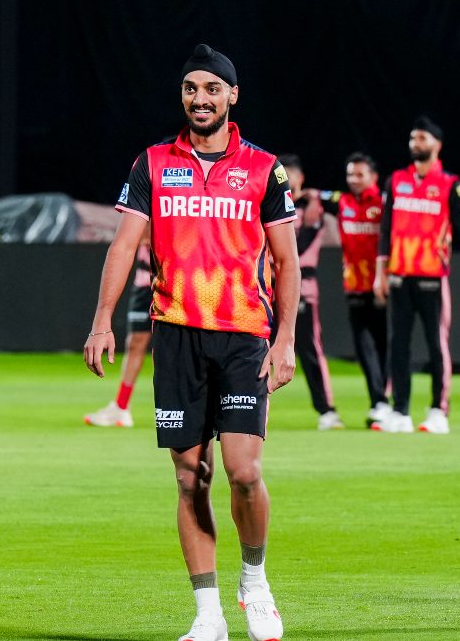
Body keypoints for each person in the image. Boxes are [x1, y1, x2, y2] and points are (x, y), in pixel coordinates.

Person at [84, 43, 298, 641]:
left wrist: (286, 341)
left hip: (244, 337)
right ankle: (207, 616)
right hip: (176, 336)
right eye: (190, 89)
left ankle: (253, 579)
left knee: (244, 472)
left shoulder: (264, 169)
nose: (199, 99)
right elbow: (123, 245)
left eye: (211, 89)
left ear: (233, 95)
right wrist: (102, 320)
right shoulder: (152, 162)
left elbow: (286, 260)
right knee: (188, 476)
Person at [373, 116, 460, 434]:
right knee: (399, 345)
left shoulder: (451, 184)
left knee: (437, 345)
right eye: (412, 138)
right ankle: (400, 412)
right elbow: (385, 229)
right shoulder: (396, 180)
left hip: (433, 277)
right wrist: (380, 272)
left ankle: (438, 411)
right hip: (399, 275)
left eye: (422, 138)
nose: (415, 144)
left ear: (437, 144)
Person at [315, 152, 393, 428]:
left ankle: (384, 402)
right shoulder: (343, 201)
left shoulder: (384, 204)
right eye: (350, 174)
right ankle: (380, 402)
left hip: (382, 285)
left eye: (360, 174)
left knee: (385, 345)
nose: (354, 180)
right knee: (364, 348)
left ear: (374, 177)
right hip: (354, 285)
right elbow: (318, 195)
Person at [280, 153, 342, 431]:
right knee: (251, 350)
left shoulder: (311, 208)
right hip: (267, 287)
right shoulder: (268, 206)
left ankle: (327, 411)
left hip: (302, 289)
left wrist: (317, 197)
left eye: (290, 173)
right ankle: (242, 409)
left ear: (300, 178)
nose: (286, 178)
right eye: (282, 173)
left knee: (309, 350)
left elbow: (300, 247)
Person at [83, 237, 152, 428]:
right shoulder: (143, 207)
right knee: (135, 343)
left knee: (171, 348)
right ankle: (121, 407)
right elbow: (139, 235)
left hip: (173, 280)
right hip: (144, 283)